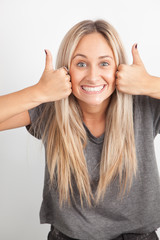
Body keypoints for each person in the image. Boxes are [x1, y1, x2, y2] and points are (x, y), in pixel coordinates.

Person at [0, 19, 160, 240]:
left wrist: (151, 84)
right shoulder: (50, 109)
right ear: (66, 70)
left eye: (104, 63)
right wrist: (38, 92)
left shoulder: (145, 106)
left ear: (118, 69)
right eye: (81, 64)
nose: (93, 76)